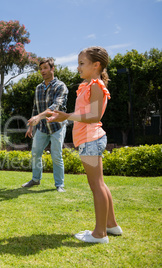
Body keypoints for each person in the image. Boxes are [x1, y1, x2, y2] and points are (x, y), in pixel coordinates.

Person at [47, 46, 122, 243]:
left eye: (82, 63)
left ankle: (100, 234)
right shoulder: (88, 85)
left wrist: (67, 116)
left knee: (96, 185)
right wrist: (62, 116)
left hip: (91, 139)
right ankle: (111, 225)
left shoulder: (96, 85)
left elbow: (94, 115)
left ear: (96, 65)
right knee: (100, 184)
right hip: (89, 139)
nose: (78, 67)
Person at [22, 58, 68, 192]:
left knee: (56, 155)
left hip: (57, 127)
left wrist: (40, 116)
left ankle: (59, 184)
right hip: (42, 128)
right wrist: (31, 126)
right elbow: (35, 109)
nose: (42, 71)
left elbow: (56, 106)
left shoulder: (61, 86)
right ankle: (35, 179)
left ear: (52, 69)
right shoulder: (38, 88)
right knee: (35, 153)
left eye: (45, 68)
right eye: (41, 69)